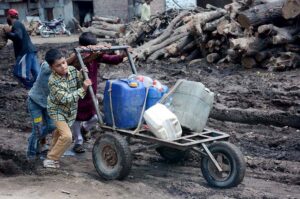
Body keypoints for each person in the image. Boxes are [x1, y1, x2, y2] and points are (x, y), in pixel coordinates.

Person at [67, 32, 125, 153]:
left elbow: (111, 59)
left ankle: (85, 128)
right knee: (76, 119)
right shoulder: (75, 57)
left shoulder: (96, 56)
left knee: (95, 117)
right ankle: (78, 142)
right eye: (88, 48)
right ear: (82, 46)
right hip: (78, 94)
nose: (90, 51)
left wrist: (121, 55)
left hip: (91, 94)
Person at [43, 49, 92, 168]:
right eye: (58, 65)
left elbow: (79, 83)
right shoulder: (53, 82)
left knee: (59, 134)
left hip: (70, 110)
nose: (63, 67)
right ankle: (50, 159)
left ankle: (51, 152)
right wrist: (83, 89)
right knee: (67, 136)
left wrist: (82, 75)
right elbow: (66, 98)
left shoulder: (72, 70)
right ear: (52, 67)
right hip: (57, 111)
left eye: (64, 62)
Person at [3, 9, 40, 89]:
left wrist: (7, 33)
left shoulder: (16, 24)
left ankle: (30, 87)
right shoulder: (18, 24)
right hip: (31, 50)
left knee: (19, 73)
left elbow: (18, 36)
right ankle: (37, 86)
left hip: (25, 51)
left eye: (7, 16)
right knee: (37, 74)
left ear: (9, 16)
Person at [27, 61, 56, 160]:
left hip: (47, 105)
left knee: (52, 126)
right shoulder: (46, 67)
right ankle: (30, 155)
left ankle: (33, 139)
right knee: (38, 128)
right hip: (35, 103)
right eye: (60, 64)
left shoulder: (63, 74)